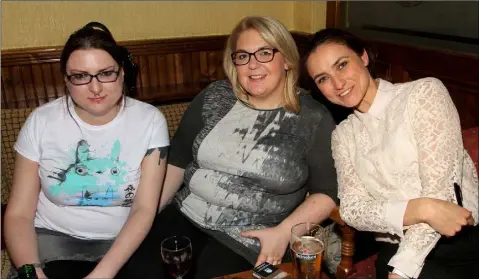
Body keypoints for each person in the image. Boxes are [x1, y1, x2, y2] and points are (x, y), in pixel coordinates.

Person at [127, 16, 339, 278]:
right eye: (243, 56)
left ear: (287, 59)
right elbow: (177, 162)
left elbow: (328, 192)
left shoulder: (314, 118)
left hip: (250, 240)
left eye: (264, 53)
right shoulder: (215, 96)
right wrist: (143, 216)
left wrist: (283, 233)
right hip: (184, 216)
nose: (252, 65)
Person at [304, 28, 479, 279]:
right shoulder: (342, 135)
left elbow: (443, 195)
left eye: (342, 65)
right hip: (393, 247)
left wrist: (403, 269)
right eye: (323, 78)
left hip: (457, 245)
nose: (337, 84)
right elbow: (352, 210)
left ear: (363, 57)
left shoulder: (423, 94)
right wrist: (423, 209)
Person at [4, 22, 169, 279]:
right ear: (66, 81)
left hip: (124, 243)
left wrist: (101, 274)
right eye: (81, 76)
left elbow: (143, 209)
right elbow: (19, 213)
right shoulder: (41, 121)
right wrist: (30, 271)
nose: (95, 87)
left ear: (122, 73)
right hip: (54, 241)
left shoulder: (150, 121)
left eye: (105, 73)